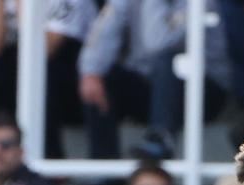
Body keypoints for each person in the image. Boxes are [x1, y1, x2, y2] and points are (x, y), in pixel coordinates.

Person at [77, 0, 230, 162]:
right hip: (151, 89)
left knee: (169, 59)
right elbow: (103, 32)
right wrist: (91, 73)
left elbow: (158, 43)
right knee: (98, 77)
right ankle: (103, 165)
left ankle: (161, 140)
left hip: (203, 93)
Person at [0, 0, 93, 161]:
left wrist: (23, 5)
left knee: (42, 72)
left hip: (72, 83)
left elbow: (45, 48)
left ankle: (49, 157)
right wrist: (1, 4)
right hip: (19, 71)